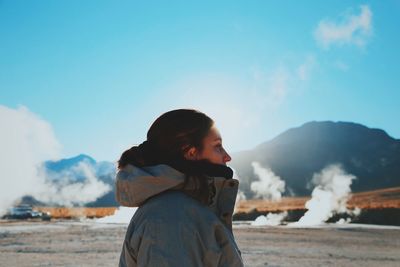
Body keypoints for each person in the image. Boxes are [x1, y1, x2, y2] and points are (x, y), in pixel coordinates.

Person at [116, 109, 243, 267]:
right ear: (191, 153)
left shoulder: (185, 210)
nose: (227, 156)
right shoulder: (172, 218)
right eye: (218, 147)